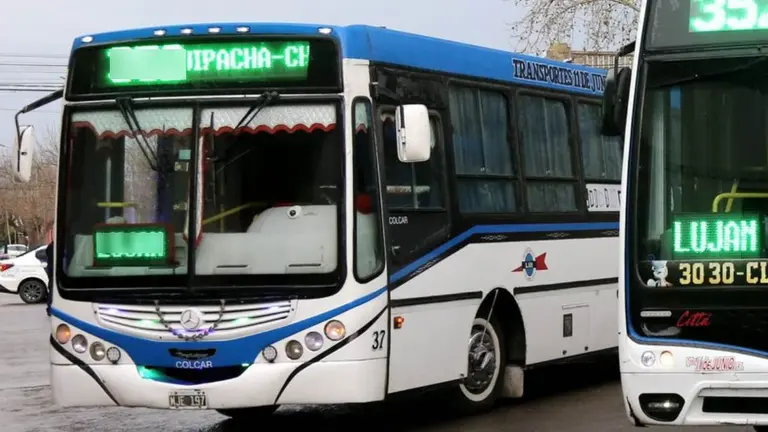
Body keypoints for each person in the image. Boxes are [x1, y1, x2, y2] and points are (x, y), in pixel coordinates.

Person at [45, 241, 53, 316]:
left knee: (52, 291)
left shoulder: (51, 246)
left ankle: (50, 309)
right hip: (54, 272)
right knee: (52, 292)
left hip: (51, 271)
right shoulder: (54, 246)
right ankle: (50, 309)